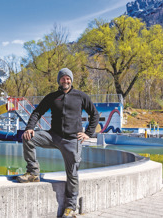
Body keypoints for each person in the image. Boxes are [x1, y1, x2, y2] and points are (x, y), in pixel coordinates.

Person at [16, 68, 99, 218]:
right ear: (59, 80)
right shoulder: (53, 97)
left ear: (71, 80)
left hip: (72, 140)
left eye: (68, 78)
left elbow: (94, 114)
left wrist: (88, 133)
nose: (65, 81)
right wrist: (30, 128)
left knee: (72, 173)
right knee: (28, 138)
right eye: (62, 78)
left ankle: (70, 206)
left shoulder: (80, 96)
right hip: (53, 136)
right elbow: (37, 112)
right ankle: (33, 172)